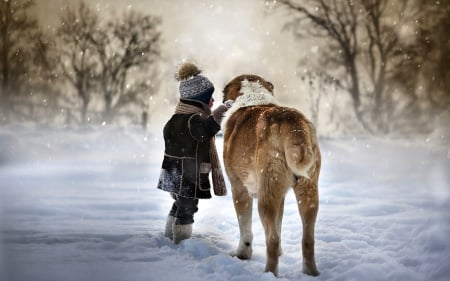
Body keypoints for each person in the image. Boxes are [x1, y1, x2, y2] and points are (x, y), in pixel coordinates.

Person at [157, 62, 229, 244]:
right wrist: (221, 112)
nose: (212, 101)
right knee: (188, 207)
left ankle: (170, 233)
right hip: (187, 175)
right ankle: (180, 239)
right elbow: (206, 130)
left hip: (175, 173)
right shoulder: (192, 120)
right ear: (198, 100)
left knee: (180, 204)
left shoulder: (177, 117)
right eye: (209, 98)